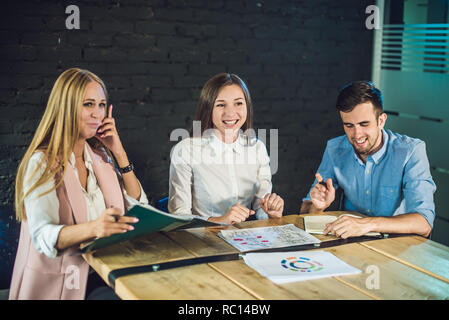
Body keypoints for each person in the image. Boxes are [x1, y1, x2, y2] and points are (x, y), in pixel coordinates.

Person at [9, 68, 149, 300]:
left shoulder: (100, 158)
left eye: (102, 105)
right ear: (66, 108)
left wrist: (119, 152)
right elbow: (43, 237)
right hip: (66, 282)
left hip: (106, 271)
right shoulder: (41, 163)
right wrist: (95, 228)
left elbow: (136, 206)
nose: (97, 114)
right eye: (88, 104)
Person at [300, 81, 435, 239]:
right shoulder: (335, 149)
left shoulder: (411, 151)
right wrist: (317, 207)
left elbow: (424, 223)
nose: (357, 135)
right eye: (349, 125)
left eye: (364, 124)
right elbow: (305, 211)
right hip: (351, 244)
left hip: (397, 244)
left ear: (381, 121)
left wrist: (367, 224)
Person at [168, 73, 284, 224]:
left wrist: (271, 212)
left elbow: (260, 209)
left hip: (244, 239)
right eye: (221, 105)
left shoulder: (257, 148)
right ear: (208, 108)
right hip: (202, 241)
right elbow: (179, 216)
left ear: (247, 106)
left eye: (238, 103)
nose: (230, 113)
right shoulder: (186, 150)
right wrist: (219, 220)